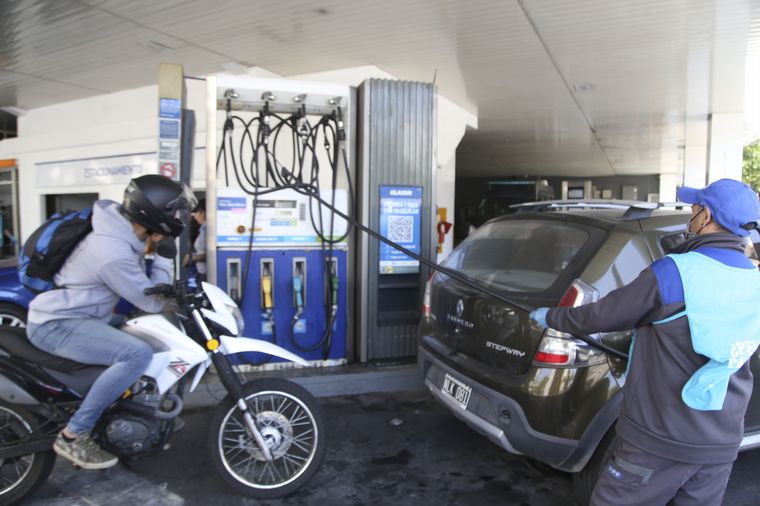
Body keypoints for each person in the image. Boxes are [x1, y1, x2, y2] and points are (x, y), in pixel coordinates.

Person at [530, 178, 760, 506]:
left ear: (707, 216)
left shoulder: (676, 272)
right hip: (720, 443)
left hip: (660, 439)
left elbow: (603, 315)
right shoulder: (754, 279)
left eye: (695, 208)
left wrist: (552, 318)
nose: (691, 213)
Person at [26, 174, 195, 470]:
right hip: (56, 324)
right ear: (155, 213)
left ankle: (136, 413)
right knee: (136, 353)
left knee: (143, 332)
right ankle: (73, 435)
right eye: (173, 213)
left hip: (80, 317)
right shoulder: (112, 251)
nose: (177, 219)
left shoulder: (119, 233)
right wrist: (164, 258)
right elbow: (151, 301)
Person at [184, 198, 207, 285]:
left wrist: (192, 258)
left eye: (196, 213)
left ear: (202, 213)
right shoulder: (202, 229)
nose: (195, 217)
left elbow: (210, 254)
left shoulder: (207, 230)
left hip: (206, 274)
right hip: (200, 273)